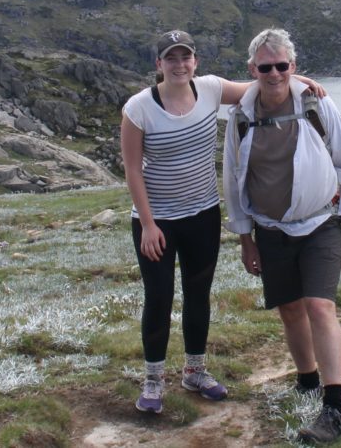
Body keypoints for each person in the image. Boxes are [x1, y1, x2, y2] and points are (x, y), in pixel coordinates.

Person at [120, 29, 324, 414]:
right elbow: (132, 170)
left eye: (186, 57)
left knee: (198, 295)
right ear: (158, 64)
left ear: (195, 61)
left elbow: (259, 84)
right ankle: (153, 380)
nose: (179, 65)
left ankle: (195, 370)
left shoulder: (211, 89)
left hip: (202, 214)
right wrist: (147, 224)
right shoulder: (139, 108)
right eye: (171, 58)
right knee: (159, 297)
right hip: (157, 220)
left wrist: (298, 79)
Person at [222, 28, 341, 442]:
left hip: (322, 223)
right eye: (265, 67)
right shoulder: (242, 117)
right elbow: (234, 180)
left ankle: (334, 407)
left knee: (320, 307)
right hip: (270, 229)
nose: (274, 73)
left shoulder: (317, 103)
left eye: (282, 66)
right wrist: (245, 236)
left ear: (293, 66)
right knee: (289, 309)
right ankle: (307, 379)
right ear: (252, 70)